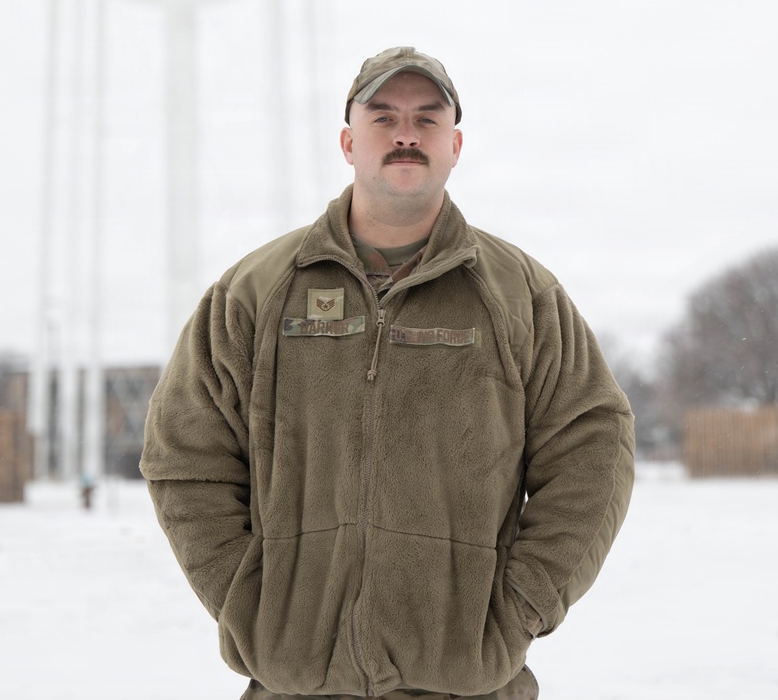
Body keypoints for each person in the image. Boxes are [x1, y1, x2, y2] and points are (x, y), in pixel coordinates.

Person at [141, 46, 635, 700]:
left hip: (468, 688)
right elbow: (185, 456)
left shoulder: (522, 293)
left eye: (427, 118)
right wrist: (251, 604)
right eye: (384, 116)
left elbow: (593, 448)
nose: (406, 133)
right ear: (349, 141)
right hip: (296, 687)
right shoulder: (256, 291)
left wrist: (521, 605)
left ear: (455, 144)